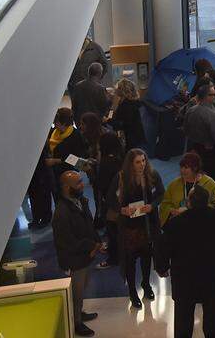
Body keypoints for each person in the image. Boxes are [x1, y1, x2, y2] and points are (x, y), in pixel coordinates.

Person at [157, 185, 215, 338]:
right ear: (207, 201)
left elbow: (163, 247)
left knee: (183, 320)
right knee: (214, 318)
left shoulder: (176, 223)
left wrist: (162, 268)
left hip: (184, 280)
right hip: (212, 277)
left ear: (188, 203)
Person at [110, 148, 162, 308]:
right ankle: (133, 291)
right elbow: (110, 198)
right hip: (129, 228)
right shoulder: (121, 178)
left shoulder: (152, 175)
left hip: (147, 225)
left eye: (144, 161)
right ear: (130, 164)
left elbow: (161, 193)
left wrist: (152, 205)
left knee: (147, 258)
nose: (142, 165)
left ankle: (146, 285)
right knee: (130, 262)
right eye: (138, 162)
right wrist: (122, 210)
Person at [52, 170, 102, 336]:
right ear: (66, 187)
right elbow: (68, 242)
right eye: (78, 183)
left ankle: (79, 313)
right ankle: (76, 323)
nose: (83, 185)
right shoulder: (61, 213)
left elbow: (89, 223)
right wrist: (91, 245)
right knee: (76, 292)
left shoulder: (80, 201)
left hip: (85, 256)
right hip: (75, 260)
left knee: (82, 289)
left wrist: (96, 242)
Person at [182, 78, 215, 186]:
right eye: (213, 95)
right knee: (214, 182)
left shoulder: (191, 110)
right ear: (207, 96)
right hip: (211, 153)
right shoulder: (211, 115)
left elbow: (185, 130)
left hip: (195, 149)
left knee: (198, 180)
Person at [160, 152, 215, 226]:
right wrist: (172, 211)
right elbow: (165, 204)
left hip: (202, 224)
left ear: (195, 168)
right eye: (181, 167)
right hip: (180, 224)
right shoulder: (174, 184)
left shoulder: (209, 183)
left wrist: (195, 210)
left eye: (186, 167)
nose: (182, 170)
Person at [94, 132, 125, 269]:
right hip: (121, 200)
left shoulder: (106, 163)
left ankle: (113, 258)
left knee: (113, 230)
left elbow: (101, 184)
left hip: (110, 202)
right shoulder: (121, 159)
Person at [47, 107, 90, 181]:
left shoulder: (76, 136)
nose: (54, 123)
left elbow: (77, 160)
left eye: (56, 122)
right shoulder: (54, 132)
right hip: (54, 172)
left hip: (69, 174)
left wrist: (55, 161)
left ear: (63, 123)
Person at [107, 78, 145, 150]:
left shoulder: (126, 104)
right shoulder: (135, 102)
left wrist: (108, 121)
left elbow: (124, 123)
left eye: (118, 88)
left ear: (122, 90)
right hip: (137, 136)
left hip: (131, 138)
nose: (116, 90)